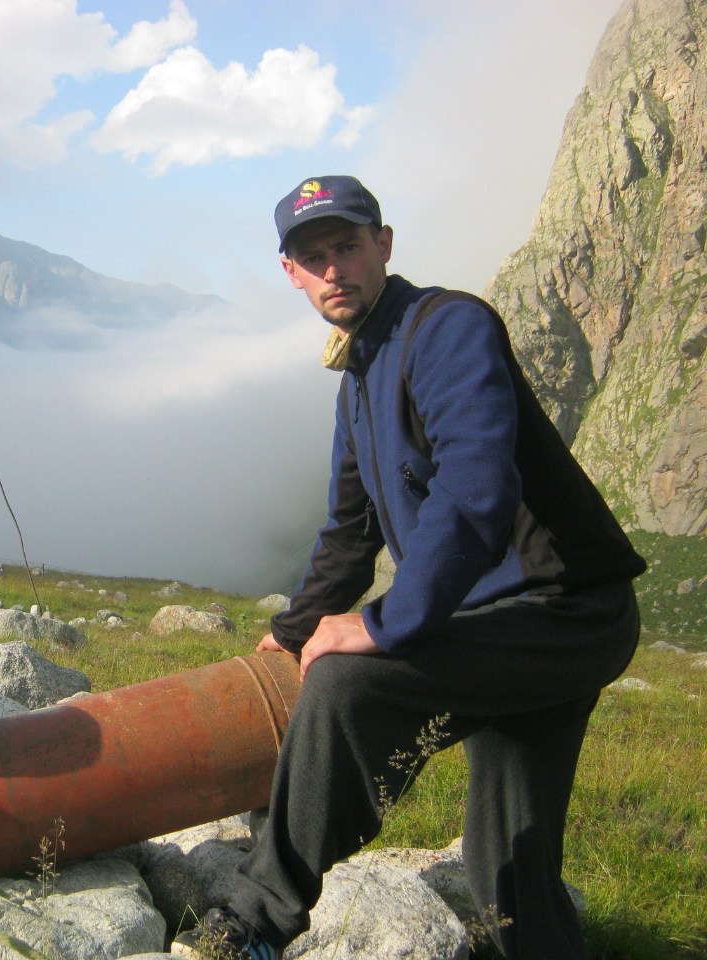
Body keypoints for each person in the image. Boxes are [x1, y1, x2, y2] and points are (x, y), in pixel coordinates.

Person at [173, 176, 645, 960]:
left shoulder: (448, 328)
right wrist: (291, 631)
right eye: (312, 256)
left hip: (566, 612)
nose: (334, 270)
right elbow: (351, 532)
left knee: (346, 686)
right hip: (507, 622)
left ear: (383, 246)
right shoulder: (360, 375)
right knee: (510, 877)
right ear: (289, 272)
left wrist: (386, 623)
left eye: (348, 247)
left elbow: (475, 487)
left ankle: (254, 923)